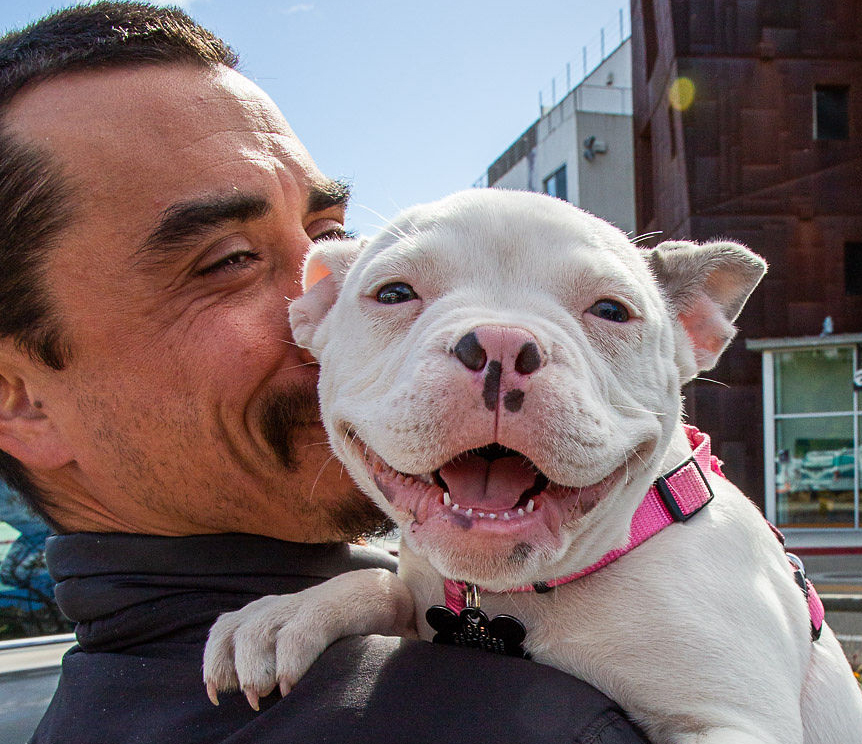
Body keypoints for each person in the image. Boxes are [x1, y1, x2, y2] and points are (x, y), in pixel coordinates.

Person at [0, 3, 650, 742]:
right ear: (20, 401)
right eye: (227, 261)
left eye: (330, 236)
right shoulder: (529, 721)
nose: (333, 313)